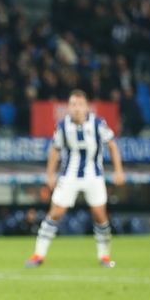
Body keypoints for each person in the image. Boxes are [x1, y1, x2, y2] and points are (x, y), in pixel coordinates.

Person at [26, 90, 125, 268]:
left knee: (100, 215)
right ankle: (38, 255)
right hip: (69, 176)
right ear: (69, 107)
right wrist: (50, 174)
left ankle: (104, 256)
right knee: (55, 213)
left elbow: (112, 145)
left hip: (93, 176)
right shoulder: (63, 126)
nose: (77, 108)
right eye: (73, 104)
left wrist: (119, 171)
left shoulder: (98, 124)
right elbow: (55, 150)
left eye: (80, 104)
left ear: (86, 106)